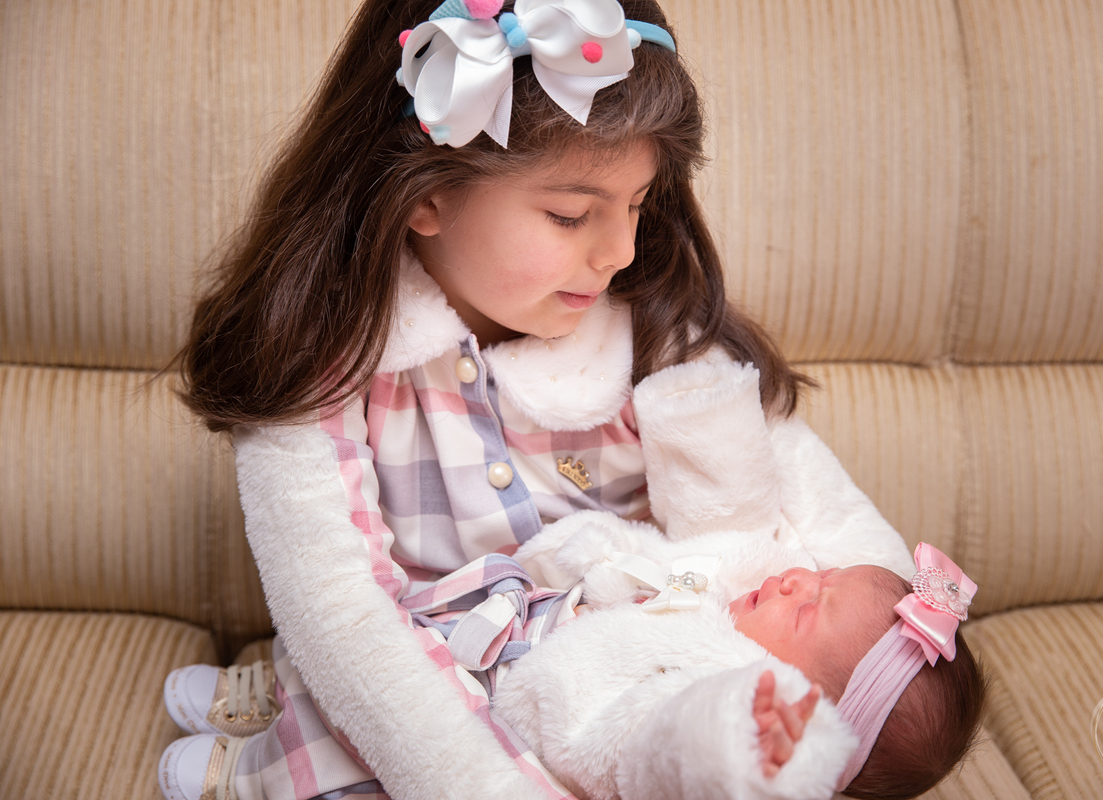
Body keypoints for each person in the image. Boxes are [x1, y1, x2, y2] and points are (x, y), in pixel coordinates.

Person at [158, 1, 918, 798]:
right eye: (569, 214)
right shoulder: (327, 359)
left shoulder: (658, 329)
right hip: (415, 699)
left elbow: (835, 536)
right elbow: (347, 626)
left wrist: (861, 716)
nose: (621, 252)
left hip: (616, 693)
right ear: (424, 194)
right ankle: (276, 714)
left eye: (638, 204)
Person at [491, 515, 986, 800]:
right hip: (518, 603)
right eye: (827, 575)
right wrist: (614, 557)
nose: (797, 576)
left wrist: (737, 749)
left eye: (808, 608)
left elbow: (659, 753)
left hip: (499, 692)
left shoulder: (712, 710)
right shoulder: (733, 605)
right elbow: (669, 567)